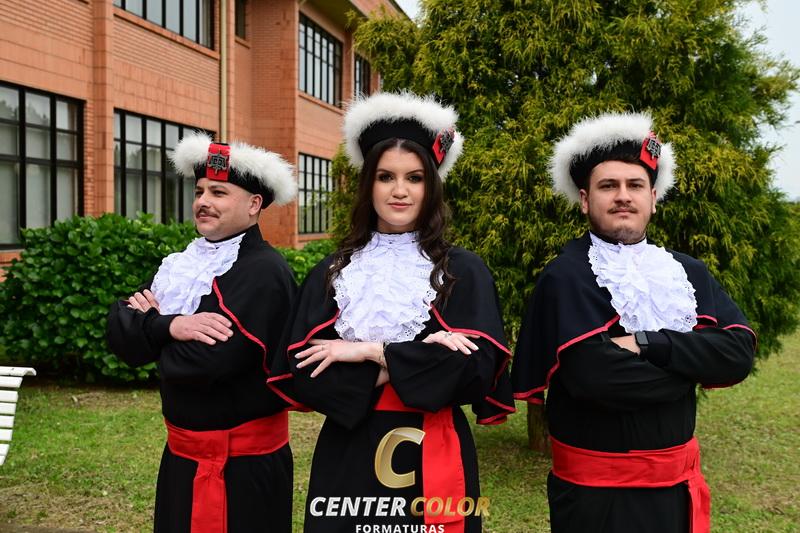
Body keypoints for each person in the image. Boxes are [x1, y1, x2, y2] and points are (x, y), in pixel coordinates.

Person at [268, 92, 515, 533]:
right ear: (368, 185)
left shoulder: (464, 271)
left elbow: (475, 371)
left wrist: (369, 352)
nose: (399, 191)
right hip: (347, 455)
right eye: (385, 177)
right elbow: (306, 374)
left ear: (431, 186)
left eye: (414, 178)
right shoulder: (333, 271)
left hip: (434, 451)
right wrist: (422, 356)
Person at [511, 112, 756, 533]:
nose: (623, 196)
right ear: (585, 200)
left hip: (677, 492)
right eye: (608, 186)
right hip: (596, 499)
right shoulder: (566, 275)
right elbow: (598, 378)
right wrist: (692, 366)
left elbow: (737, 354)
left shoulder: (689, 272)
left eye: (635, 185)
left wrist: (647, 343)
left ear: (653, 198)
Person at [107, 133, 297, 533]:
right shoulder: (183, 262)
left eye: (218, 192)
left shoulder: (264, 270)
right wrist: (171, 325)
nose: (203, 201)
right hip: (181, 457)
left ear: (254, 204)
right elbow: (120, 333)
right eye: (199, 191)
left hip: (241, 469)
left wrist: (151, 331)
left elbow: (204, 363)